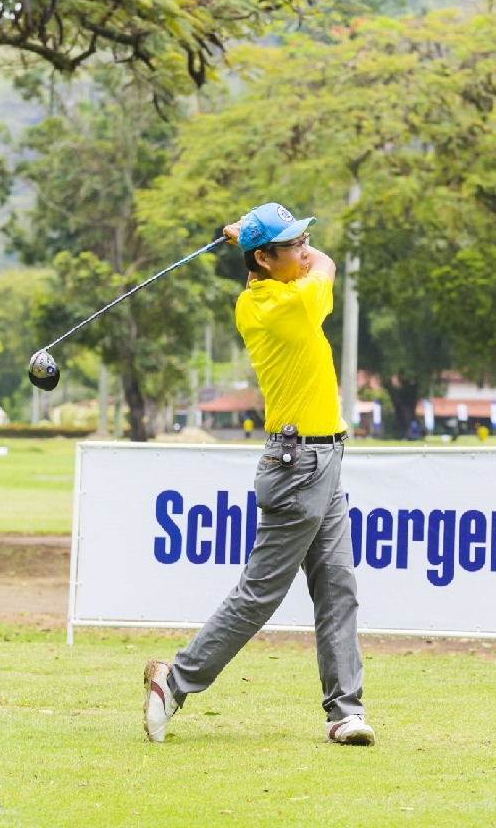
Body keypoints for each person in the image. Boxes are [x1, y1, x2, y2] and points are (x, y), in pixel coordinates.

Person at [142, 203, 374, 747]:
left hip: (324, 458)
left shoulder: (263, 291)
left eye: (303, 240)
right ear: (265, 260)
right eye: (292, 245)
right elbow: (328, 263)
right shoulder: (283, 305)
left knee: (338, 587)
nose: (304, 251)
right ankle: (174, 682)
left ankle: (344, 713)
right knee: (260, 594)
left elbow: (300, 260)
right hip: (297, 467)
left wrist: (253, 240)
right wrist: (251, 239)